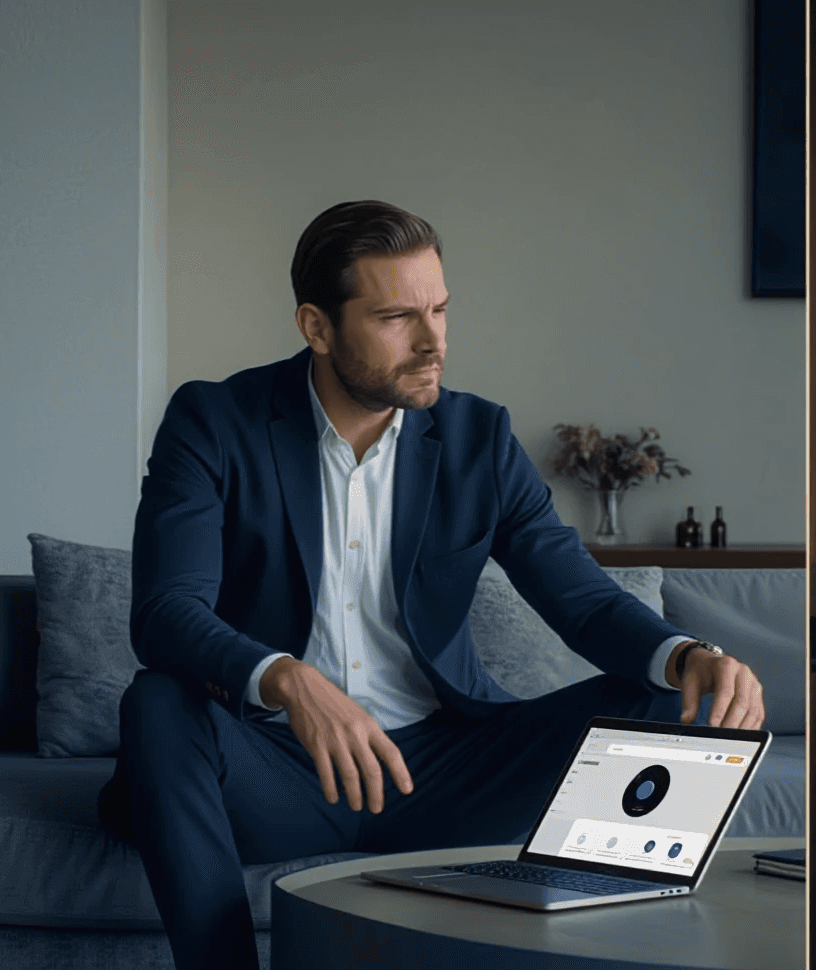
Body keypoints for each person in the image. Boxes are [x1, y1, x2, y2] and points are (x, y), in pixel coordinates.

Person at [98, 201, 767, 970]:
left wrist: (690, 657)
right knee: (155, 701)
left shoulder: (479, 439)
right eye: (395, 318)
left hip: (442, 773)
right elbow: (164, 612)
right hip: (274, 769)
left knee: (670, 697)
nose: (432, 342)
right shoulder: (214, 421)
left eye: (440, 309)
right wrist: (285, 679)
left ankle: (610, 947)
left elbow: (579, 599)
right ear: (317, 328)